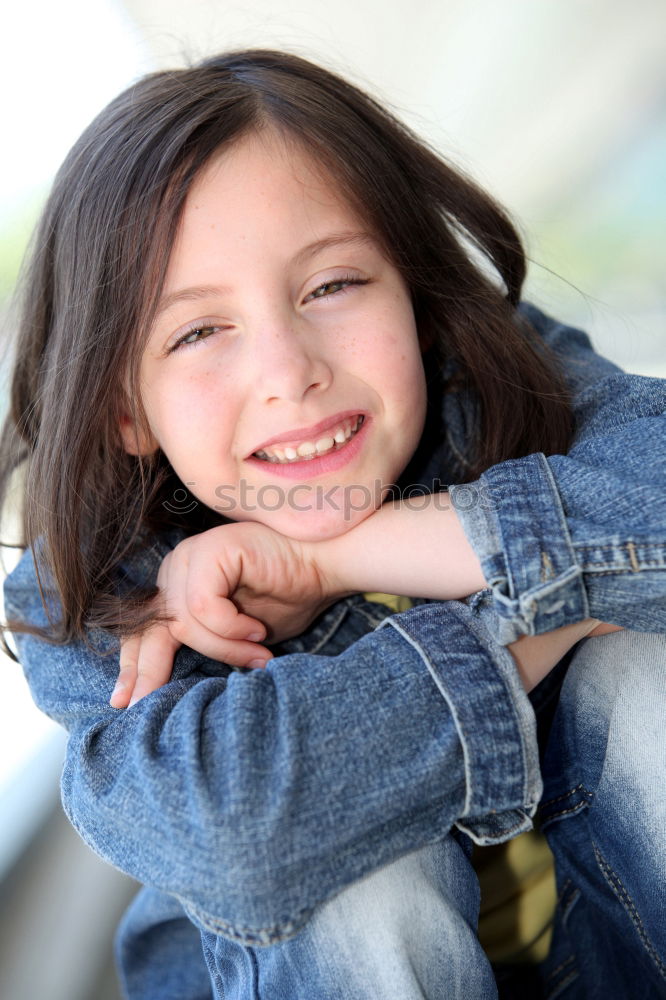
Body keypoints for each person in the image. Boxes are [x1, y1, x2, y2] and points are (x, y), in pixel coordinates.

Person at [1, 49, 664, 1000]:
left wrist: (330, 552)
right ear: (125, 412)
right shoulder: (107, 587)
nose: (288, 368)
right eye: (197, 332)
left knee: (647, 666)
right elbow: (239, 831)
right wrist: (544, 624)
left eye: (332, 286)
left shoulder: (508, 385)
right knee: (336, 863)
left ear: (419, 299)